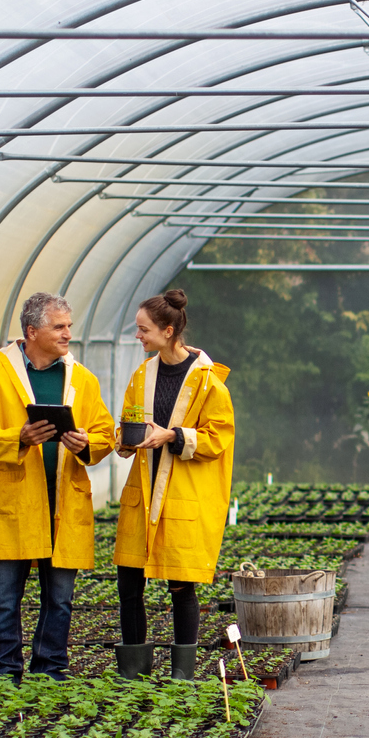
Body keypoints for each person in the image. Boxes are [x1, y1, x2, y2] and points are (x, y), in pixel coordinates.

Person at [0, 291, 114, 684]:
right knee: (4, 596)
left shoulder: (81, 379)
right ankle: (3, 671)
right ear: (32, 331)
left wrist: (86, 445)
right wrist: (20, 437)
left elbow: (104, 433)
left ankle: (50, 668)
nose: (67, 334)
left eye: (68, 326)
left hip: (62, 499)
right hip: (14, 501)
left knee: (60, 598)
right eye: (58, 327)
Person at [113, 289, 235, 680]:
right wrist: (124, 439)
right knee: (129, 583)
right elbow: (127, 421)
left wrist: (173, 436)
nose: (139, 336)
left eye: (143, 329)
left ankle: (182, 675)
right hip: (143, 492)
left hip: (181, 495)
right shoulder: (141, 375)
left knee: (181, 586)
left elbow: (218, 438)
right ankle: (134, 672)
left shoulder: (207, 382)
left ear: (168, 331)